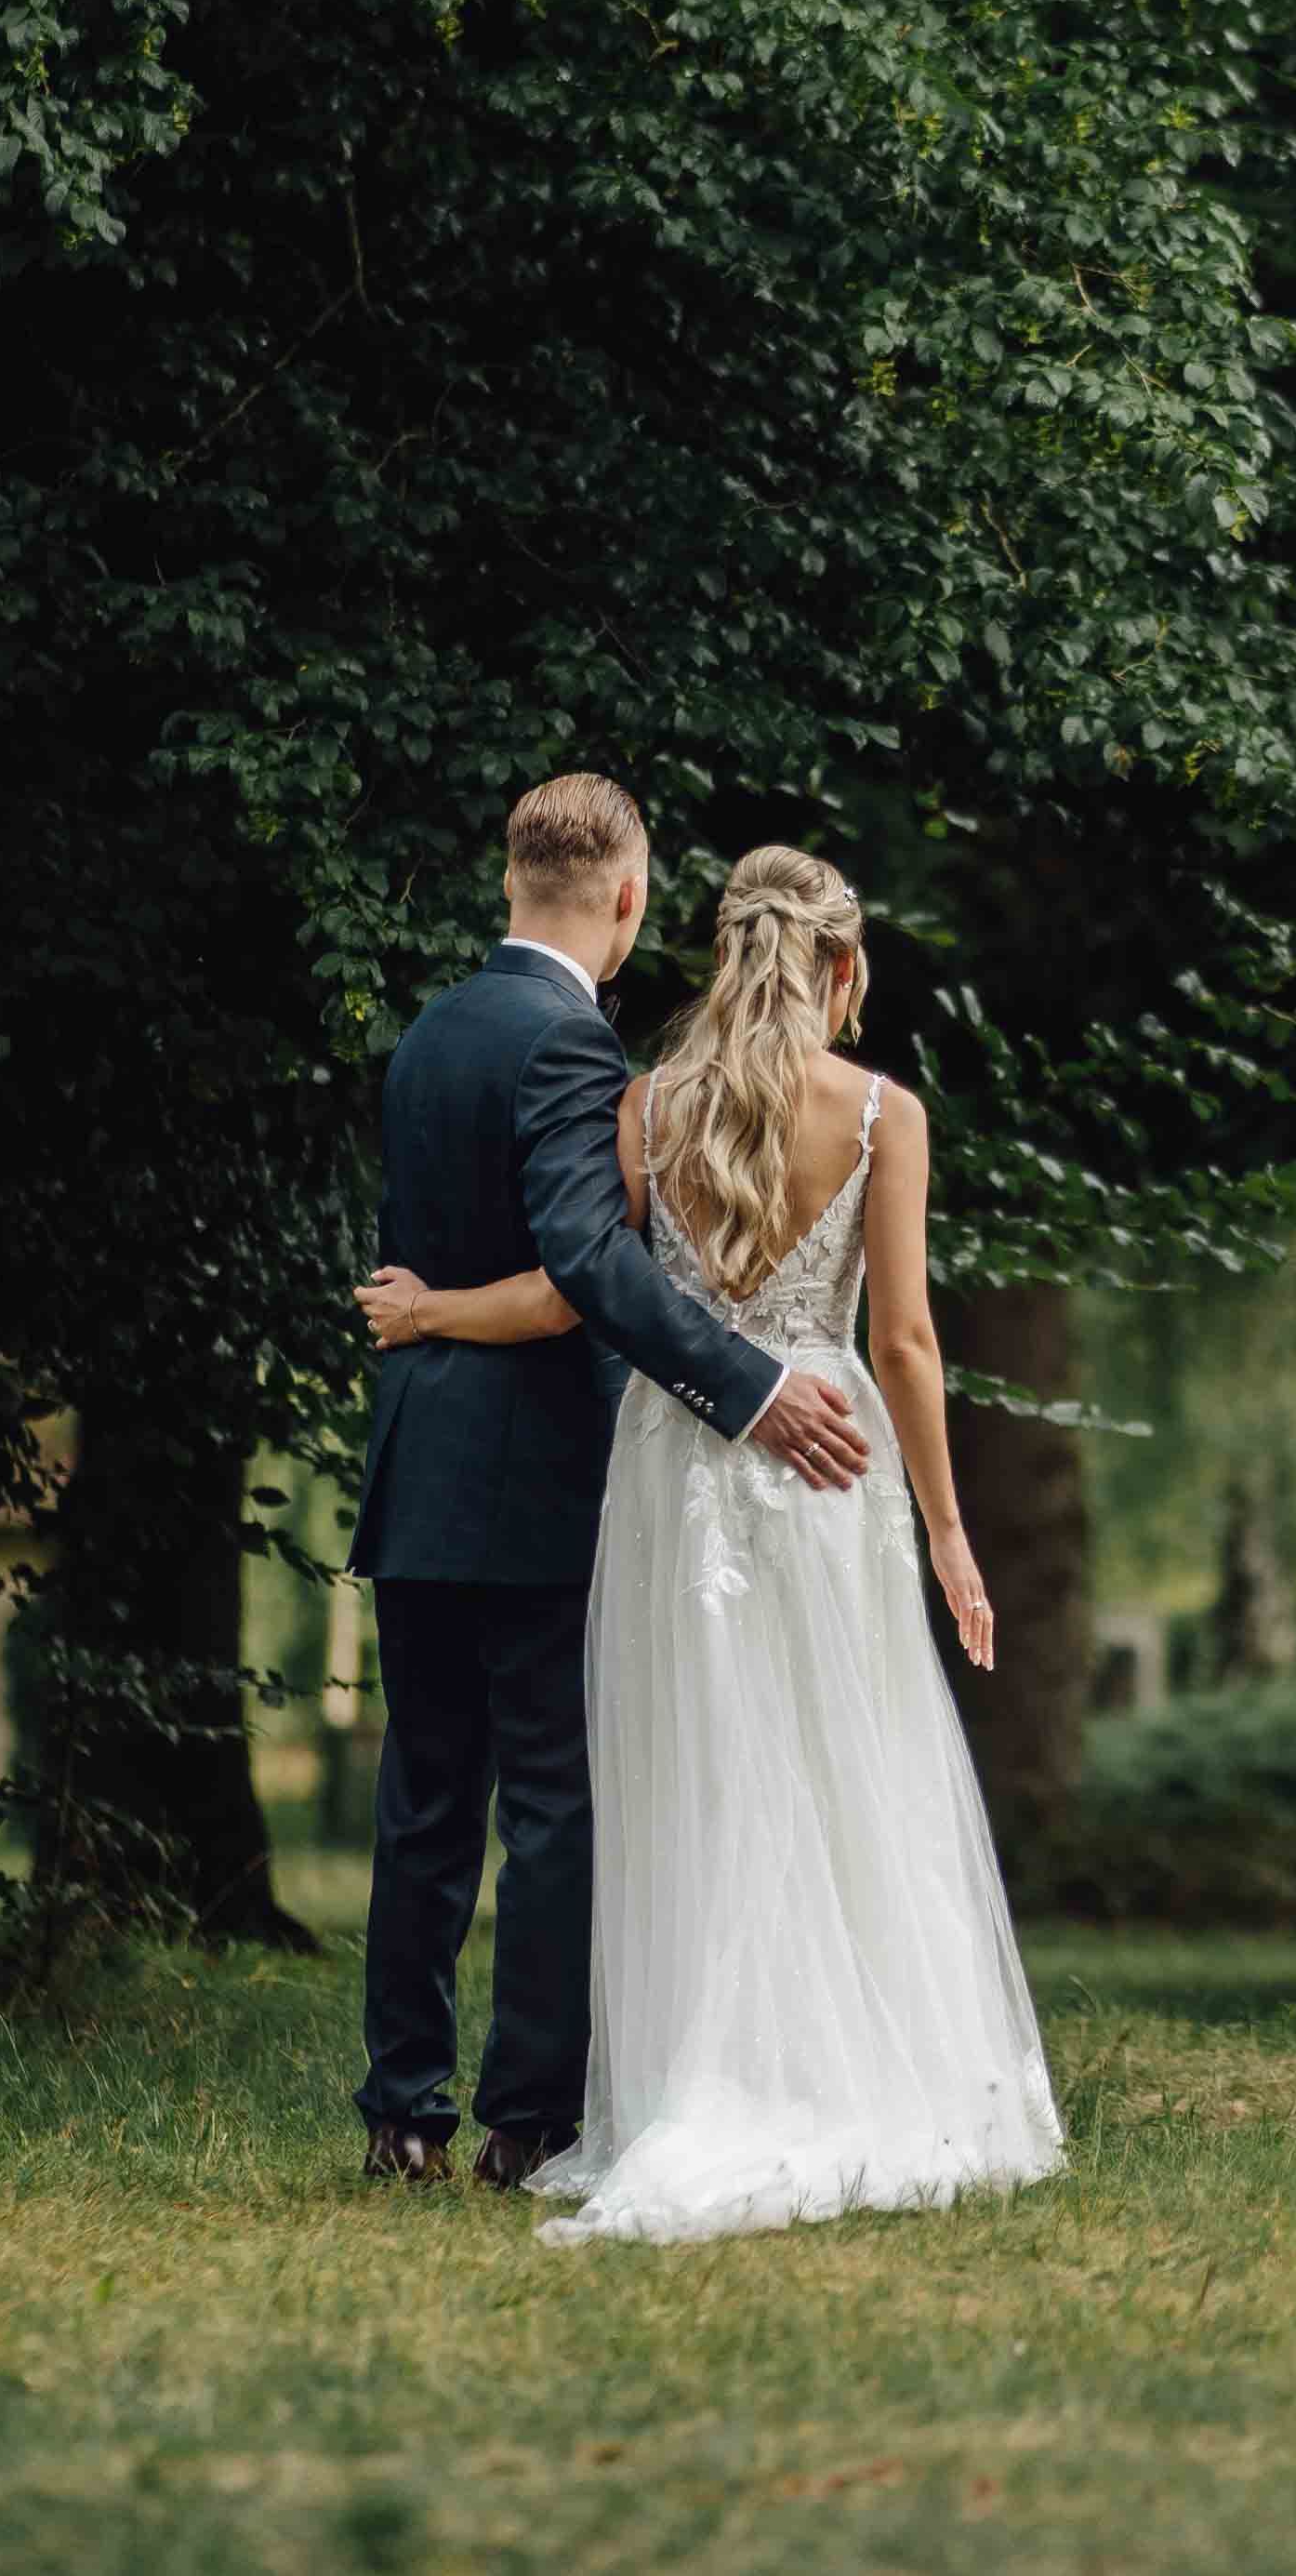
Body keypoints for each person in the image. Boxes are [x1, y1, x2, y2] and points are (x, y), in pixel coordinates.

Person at [358, 842, 1063, 2242]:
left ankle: (669, 2080)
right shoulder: (882, 1114)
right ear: (842, 967)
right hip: (831, 1456)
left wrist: (433, 1308)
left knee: (685, 1766)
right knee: (840, 1756)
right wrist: (949, 1529)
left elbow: (573, 1295)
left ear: (726, 948)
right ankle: (845, 2066)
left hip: (673, 1466)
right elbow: (909, 1342)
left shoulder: (645, 1106)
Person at [347, 777, 869, 2189]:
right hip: (534, 1483)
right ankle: (526, 2117)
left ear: (509, 880)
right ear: (629, 900)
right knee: (555, 1804)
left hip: (415, 1468)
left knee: (425, 1800)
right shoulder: (573, 1050)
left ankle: (401, 2110)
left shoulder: (427, 1037)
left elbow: (428, 1258)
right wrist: (753, 1387)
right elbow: (592, 1263)